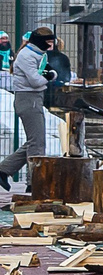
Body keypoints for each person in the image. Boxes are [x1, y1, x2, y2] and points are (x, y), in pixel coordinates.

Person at [0, 24, 57, 185]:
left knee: (34, 141)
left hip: (34, 98)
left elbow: (50, 72)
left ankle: (4, 170)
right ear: (40, 41)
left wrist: (49, 74)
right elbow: (35, 81)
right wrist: (49, 76)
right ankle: (34, 182)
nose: (50, 46)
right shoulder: (27, 56)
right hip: (28, 98)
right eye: (48, 42)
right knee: (37, 144)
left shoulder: (38, 54)